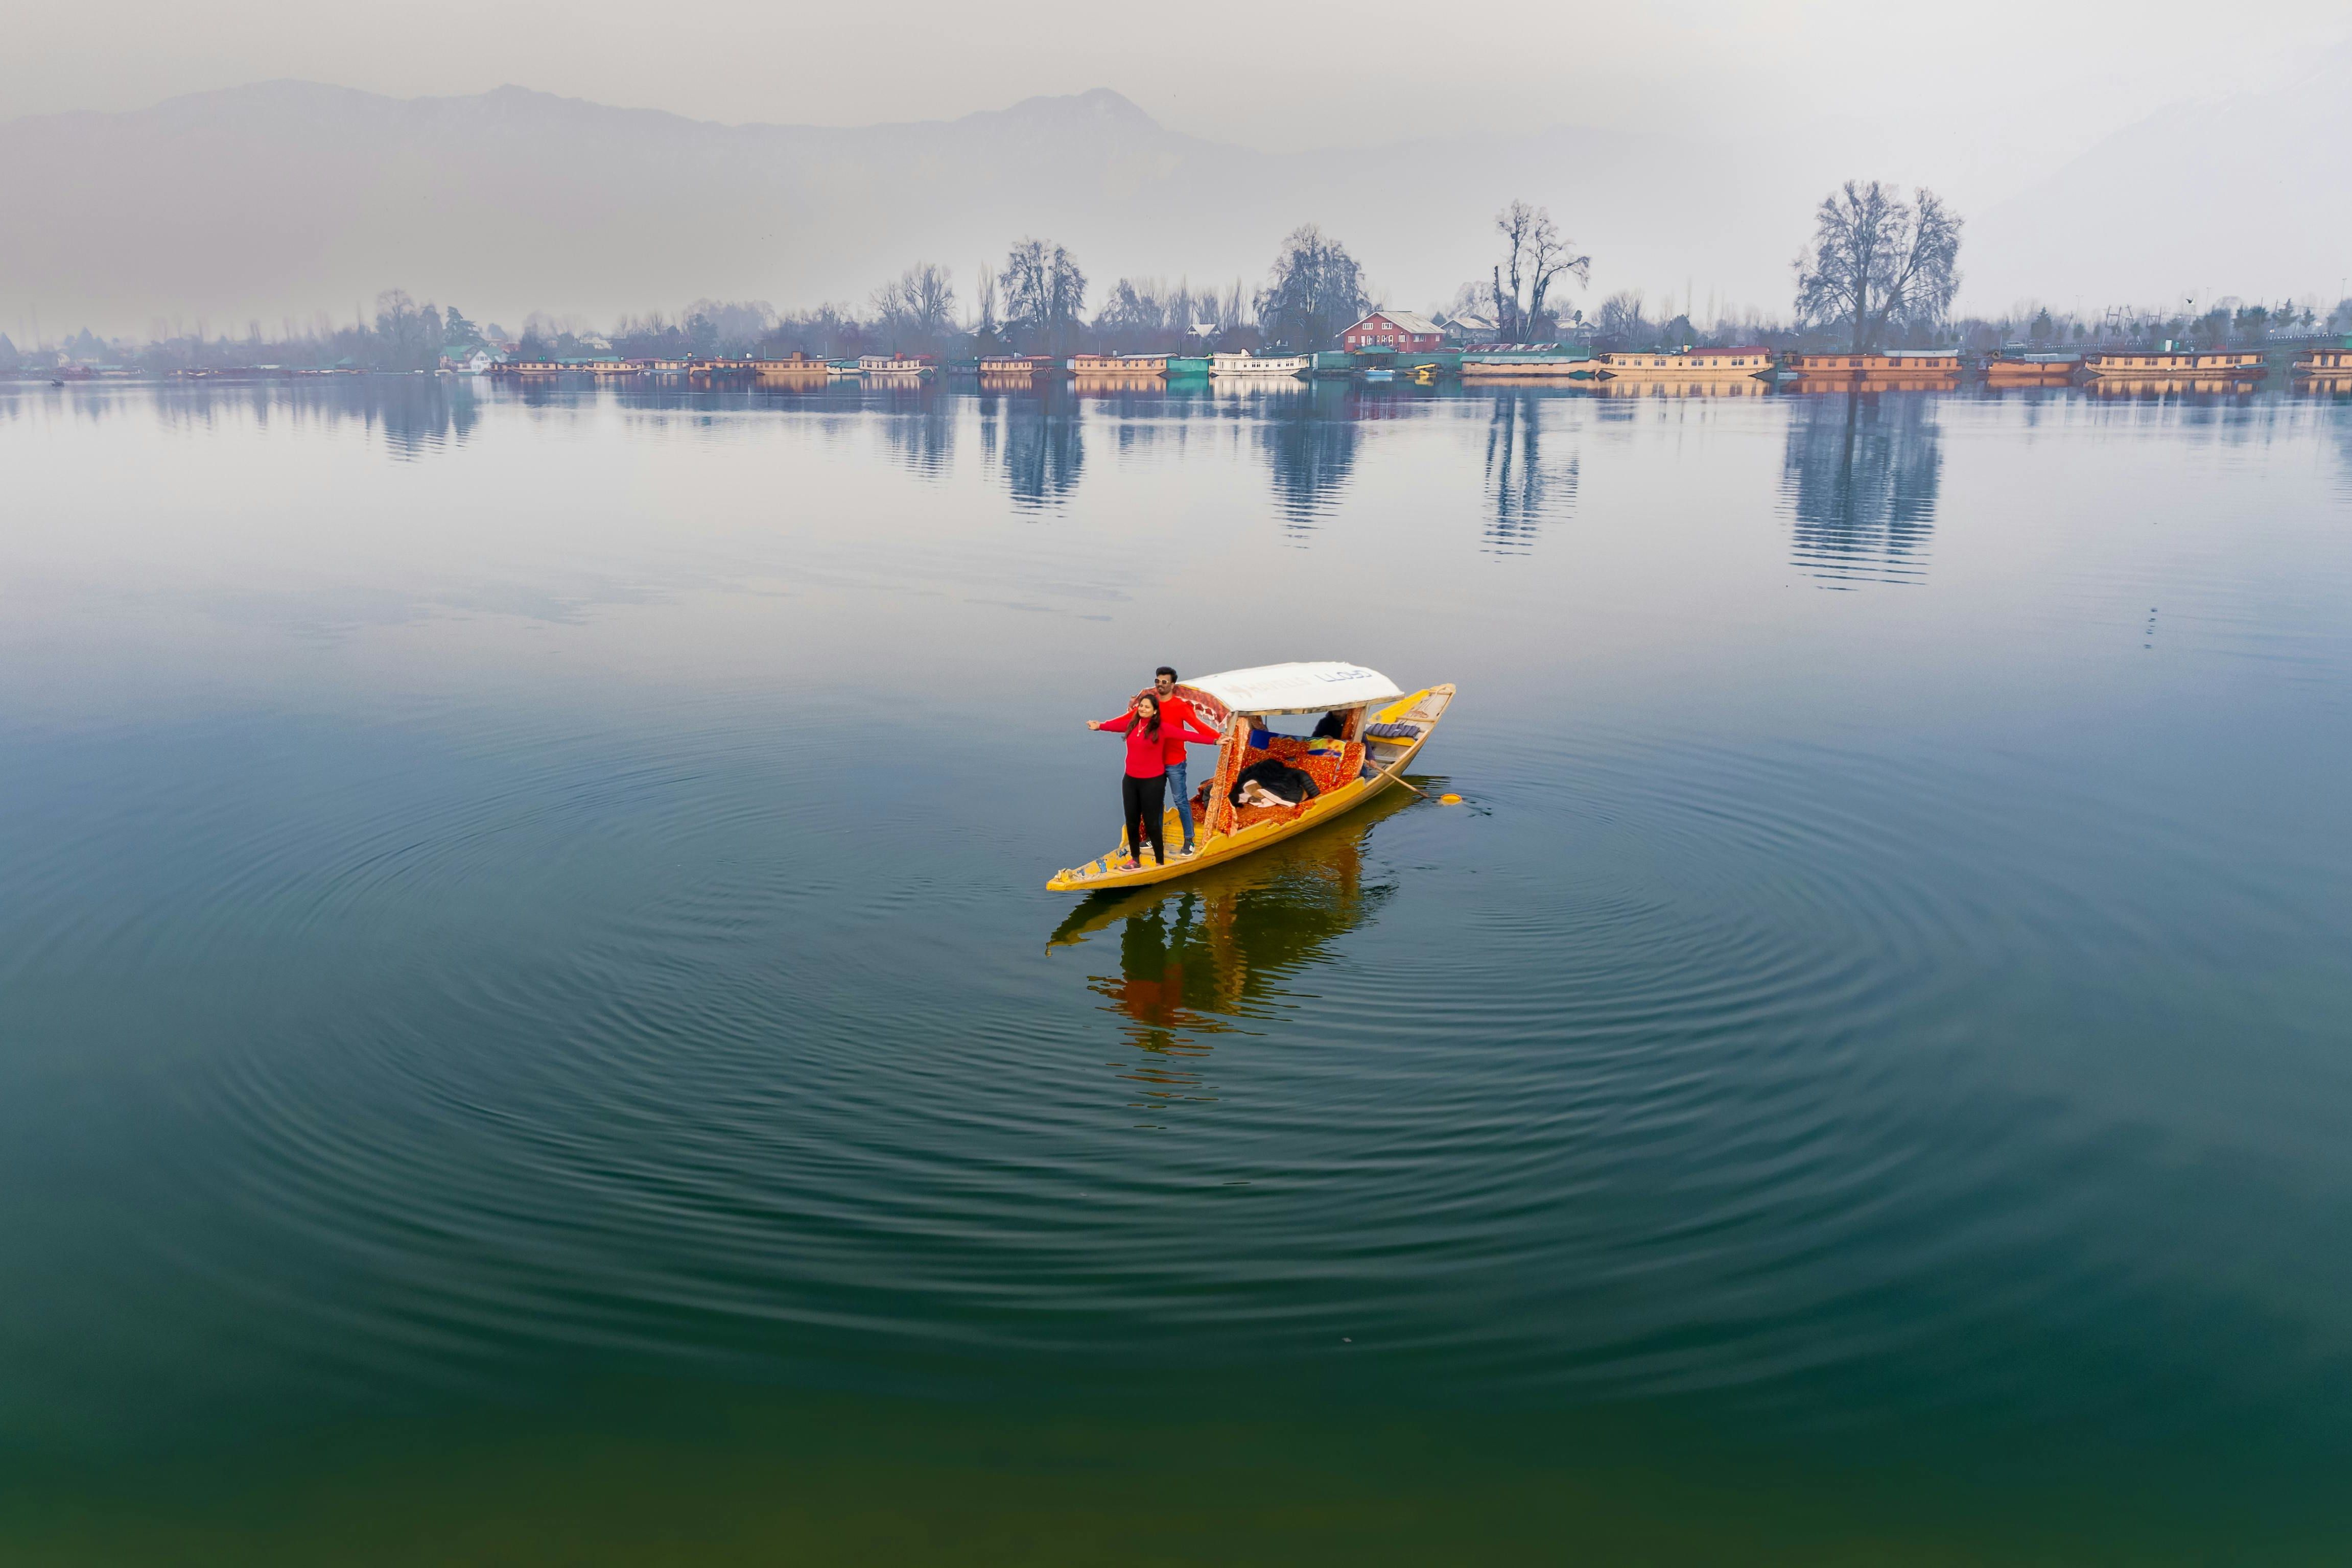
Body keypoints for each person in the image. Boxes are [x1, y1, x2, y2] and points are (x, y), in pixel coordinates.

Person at [1136, 667, 1220, 856]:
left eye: (1164, 682)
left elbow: (1198, 726)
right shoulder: (1151, 705)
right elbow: (1133, 722)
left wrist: (1217, 738)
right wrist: (1102, 726)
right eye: (1157, 681)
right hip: (1154, 763)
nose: (1159, 685)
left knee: (1180, 800)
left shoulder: (1180, 706)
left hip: (1175, 762)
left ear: (1173, 685)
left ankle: (1189, 840)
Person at [1088, 693, 1170, 870]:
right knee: (1131, 821)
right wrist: (1099, 726)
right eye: (1141, 706)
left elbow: (1187, 735)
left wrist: (1215, 740)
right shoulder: (1133, 725)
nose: (1143, 709)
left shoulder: (1162, 728)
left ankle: (1160, 862)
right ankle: (1135, 860)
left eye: (1147, 707)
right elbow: (1114, 726)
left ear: (1155, 711)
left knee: (1151, 824)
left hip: (1153, 782)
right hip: (1131, 781)